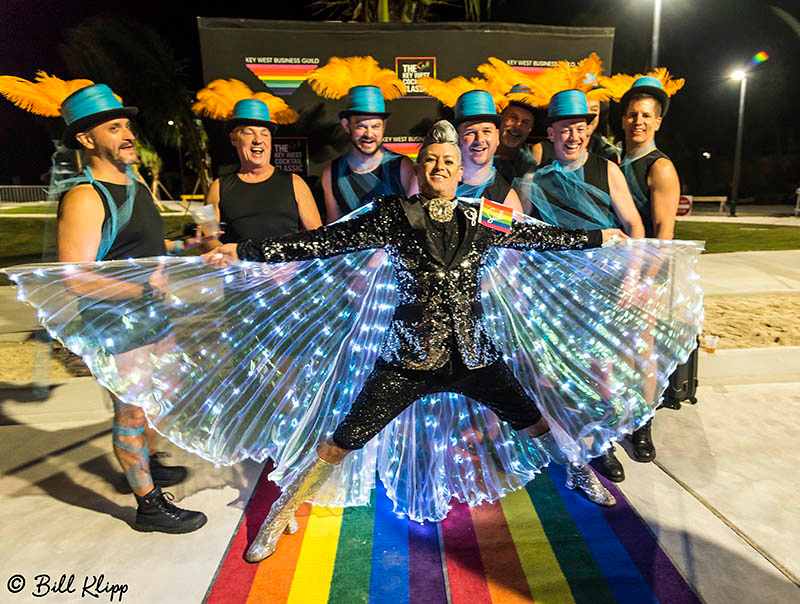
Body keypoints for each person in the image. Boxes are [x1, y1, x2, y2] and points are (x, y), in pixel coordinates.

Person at [210, 120, 629, 562]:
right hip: (407, 359)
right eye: (430, 159)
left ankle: (579, 474)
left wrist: (600, 236)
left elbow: (542, 236)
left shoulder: (487, 214)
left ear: (461, 169)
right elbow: (319, 242)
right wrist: (243, 251)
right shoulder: (391, 214)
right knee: (345, 438)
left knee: (533, 419)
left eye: (448, 160)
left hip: (475, 355)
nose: (440, 167)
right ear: (417, 168)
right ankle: (282, 512)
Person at [0, 75, 208, 533]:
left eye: (124, 125)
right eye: (112, 127)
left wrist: (179, 247)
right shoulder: (85, 196)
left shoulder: (132, 182)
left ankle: (147, 460)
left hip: (153, 315)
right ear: (85, 138)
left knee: (160, 395)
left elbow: (134, 247)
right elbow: (74, 277)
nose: (127, 133)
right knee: (131, 409)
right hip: (117, 324)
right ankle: (149, 505)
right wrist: (146, 290)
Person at [592, 72, 684, 480]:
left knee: (642, 352)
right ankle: (615, 420)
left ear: (659, 121)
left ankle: (642, 426)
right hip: (615, 272)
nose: (637, 122)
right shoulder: (614, 162)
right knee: (614, 354)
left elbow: (664, 235)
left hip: (645, 274)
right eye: (631, 114)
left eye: (646, 115)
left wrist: (645, 281)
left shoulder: (660, 167)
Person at [192, 80, 321, 249]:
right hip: (241, 274)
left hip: (286, 274)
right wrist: (226, 256)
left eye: (264, 134)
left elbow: (316, 236)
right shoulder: (218, 188)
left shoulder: (295, 184)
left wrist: (291, 262)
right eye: (248, 133)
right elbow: (208, 239)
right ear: (233, 139)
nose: (258, 140)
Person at [517, 89, 645, 237]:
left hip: (600, 259)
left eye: (580, 129)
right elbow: (520, 232)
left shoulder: (608, 170)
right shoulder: (532, 180)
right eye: (566, 130)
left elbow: (633, 224)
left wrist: (634, 259)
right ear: (551, 134)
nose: (574, 137)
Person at [306, 56, 414, 223]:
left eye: (375, 126)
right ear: (346, 125)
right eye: (361, 126)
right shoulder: (332, 173)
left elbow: (414, 221)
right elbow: (333, 227)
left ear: (384, 125)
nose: (369, 134)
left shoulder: (402, 166)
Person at [419, 77, 523, 210]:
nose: (479, 139)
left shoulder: (506, 201)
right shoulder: (433, 178)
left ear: (497, 137)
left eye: (486, 131)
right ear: (457, 137)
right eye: (470, 132)